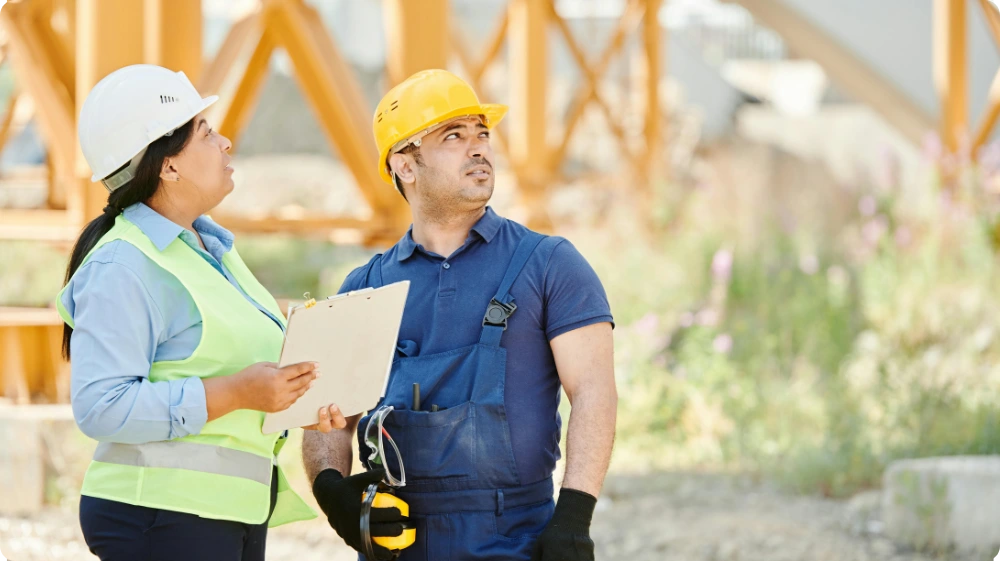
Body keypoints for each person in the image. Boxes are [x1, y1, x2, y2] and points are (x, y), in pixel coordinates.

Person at [303, 69, 617, 561]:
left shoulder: (550, 264)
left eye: (482, 134)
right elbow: (327, 419)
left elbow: (594, 390)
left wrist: (574, 516)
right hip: (396, 540)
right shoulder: (363, 289)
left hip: (516, 536)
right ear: (406, 166)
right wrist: (331, 491)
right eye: (454, 136)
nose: (479, 149)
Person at [58, 64, 347, 561]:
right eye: (206, 132)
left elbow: (228, 369)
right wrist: (236, 393)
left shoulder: (210, 250)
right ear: (168, 165)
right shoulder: (123, 263)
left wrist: (299, 396)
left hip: (227, 513)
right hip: (160, 516)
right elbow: (100, 406)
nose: (226, 142)